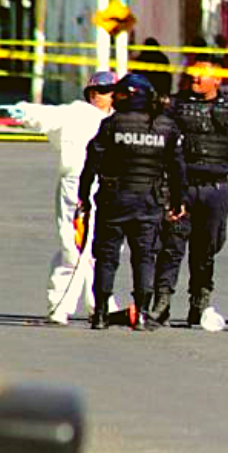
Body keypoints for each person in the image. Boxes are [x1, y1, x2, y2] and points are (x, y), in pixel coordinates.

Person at [0, 71, 121, 324]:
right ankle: (60, 306)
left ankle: (101, 302)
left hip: (110, 188)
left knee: (103, 247)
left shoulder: (121, 120)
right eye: (104, 91)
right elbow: (48, 115)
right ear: (92, 94)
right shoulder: (76, 113)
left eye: (112, 92)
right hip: (76, 188)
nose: (108, 96)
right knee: (74, 246)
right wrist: (22, 112)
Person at [151, 54, 228, 327]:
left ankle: (199, 302)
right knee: (171, 247)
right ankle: (161, 302)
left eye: (202, 75)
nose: (195, 79)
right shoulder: (173, 107)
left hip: (216, 190)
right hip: (180, 189)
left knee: (206, 250)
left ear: (218, 79)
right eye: (192, 74)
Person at [78, 73, 187, 331]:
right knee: (144, 258)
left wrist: (83, 197)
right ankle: (140, 314)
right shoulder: (165, 126)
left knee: (106, 257)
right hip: (149, 202)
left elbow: (92, 162)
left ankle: (102, 314)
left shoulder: (112, 124)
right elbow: (178, 168)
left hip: (114, 200)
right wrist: (178, 200)